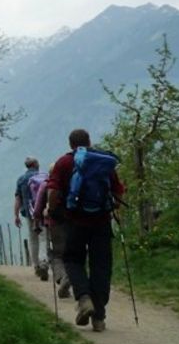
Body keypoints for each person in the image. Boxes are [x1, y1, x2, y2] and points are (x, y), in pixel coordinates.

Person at [47, 129, 125, 332]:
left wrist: (53, 212)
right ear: (89, 142)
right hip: (101, 222)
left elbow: (53, 191)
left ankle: (83, 299)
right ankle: (99, 317)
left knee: (73, 260)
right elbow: (117, 193)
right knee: (101, 266)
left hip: (75, 221)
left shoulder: (64, 163)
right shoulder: (104, 162)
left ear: (70, 144)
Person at [33, 164, 71, 299]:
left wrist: (37, 219)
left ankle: (62, 277)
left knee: (57, 255)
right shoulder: (70, 183)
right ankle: (70, 276)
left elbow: (37, 207)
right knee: (71, 252)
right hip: (72, 222)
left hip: (53, 223)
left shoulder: (46, 185)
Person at [13, 157, 47, 280]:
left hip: (29, 213)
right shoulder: (44, 176)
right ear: (35, 164)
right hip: (43, 212)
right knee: (43, 237)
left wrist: (16, 215)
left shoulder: (21, 179)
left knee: (33, 238)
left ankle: (37, 266)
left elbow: (18, 199)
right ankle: (44, 262)